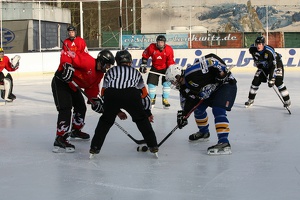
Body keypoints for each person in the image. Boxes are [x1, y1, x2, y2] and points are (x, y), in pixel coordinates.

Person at [90, 50, 159, 156]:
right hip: (131, 94)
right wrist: (147, 112)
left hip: (112, 94)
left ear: (117, 62)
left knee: (105, 122)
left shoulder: (110, 72)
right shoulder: (135, 72)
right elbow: (144, 94)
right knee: (141, 120)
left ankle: (95, 147)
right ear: (130, 62)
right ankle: (153, 146)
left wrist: (115, 111)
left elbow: (104, 93)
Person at [165, 53, 237, 155]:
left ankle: (224, 142)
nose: (173, 84)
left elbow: (211, 58)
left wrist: (222, 72)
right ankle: (204, 133)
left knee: (218, 110)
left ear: (177, 76)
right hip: (212, 91)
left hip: (226, 85)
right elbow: (189, 103)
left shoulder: (191, 72)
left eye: (172, 81)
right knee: (198, 109)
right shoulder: (184, 88)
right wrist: (184, 115)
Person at [51, 49, 115, 153]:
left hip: (73, 86)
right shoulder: (87, 60)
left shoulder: (99, 74)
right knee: (66, 109)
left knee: (81, 107)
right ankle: (60, 138)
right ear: (101, 61)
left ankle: (76, 131)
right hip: (61, 82)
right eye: (107, 65)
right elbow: (66, 53)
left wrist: (95, 101)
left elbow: (92, 88)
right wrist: (67, 65)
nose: (108, 67)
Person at [245, 36, 291, 108]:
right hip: (264, 66)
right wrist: (258, 64)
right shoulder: (252, 49)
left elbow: (273, 66)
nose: (258, 46)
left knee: (278, 82)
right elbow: (255, 57)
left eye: (260, 44)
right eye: (257, 44)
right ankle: (250, 100)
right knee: (256, 81)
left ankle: (287, 101)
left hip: (276, 65)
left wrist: (272, 78)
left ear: (264, 44)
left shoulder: (269, 52)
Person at [139, 35, 175, 109]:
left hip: (165, 68)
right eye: (159, 42)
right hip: (155, 67)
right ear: (156, 42)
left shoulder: (169, 49)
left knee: (166, 84)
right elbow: (145, 56)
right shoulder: (152, 47)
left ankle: (165, 99)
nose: (160, 44)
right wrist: (143, 65)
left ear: (164, 43)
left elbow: (170, 61)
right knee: (151, 84)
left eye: (162, 42)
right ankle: (152, 99)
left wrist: (171, 71)